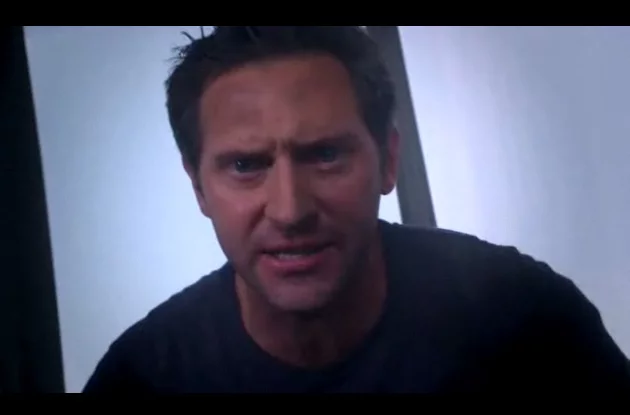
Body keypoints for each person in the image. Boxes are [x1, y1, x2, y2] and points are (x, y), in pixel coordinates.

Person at [83, 26, 630, 393]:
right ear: (198, 188)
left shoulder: (524, 318)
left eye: (326, 155)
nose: (290, 210)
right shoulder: (144, 378)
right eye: (246, 165)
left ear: (388, 160)